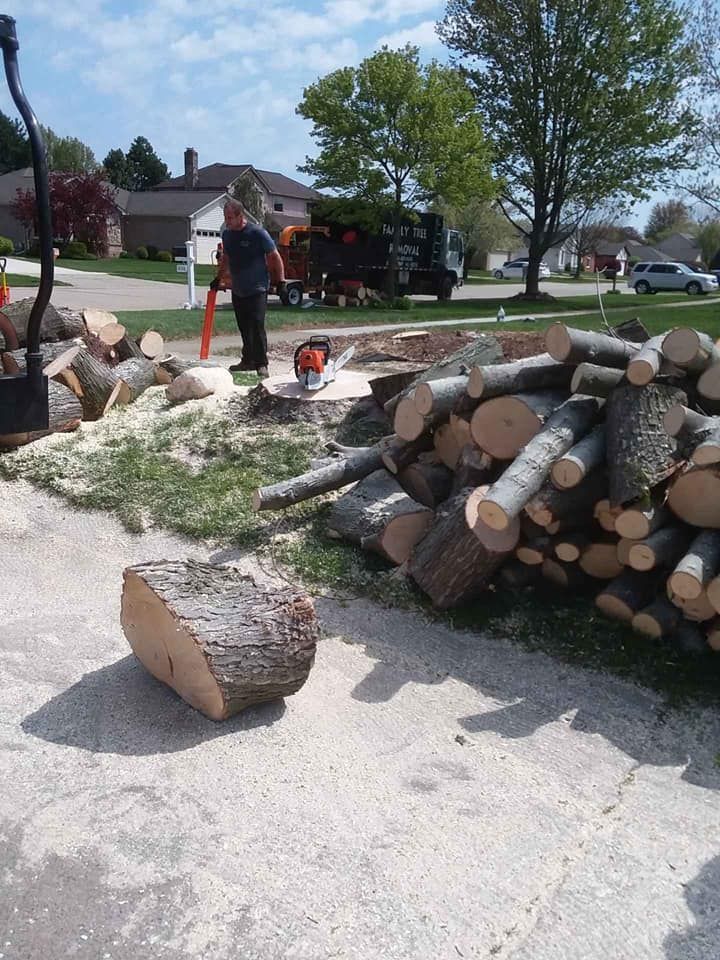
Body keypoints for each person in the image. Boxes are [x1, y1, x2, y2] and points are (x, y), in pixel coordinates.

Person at [213, 199, 285, 378]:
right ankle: (247, 361)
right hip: (239, 288)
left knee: (257, 325)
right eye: (225, 217)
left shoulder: (257, 233)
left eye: (230, 218)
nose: (227, 221)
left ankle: (261, 363)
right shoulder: (228, 235)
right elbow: (227, 259)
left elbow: (275, 256)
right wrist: (218, 278)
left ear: (240, 216)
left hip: (258, 287)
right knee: (244, 327)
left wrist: (281, 281)